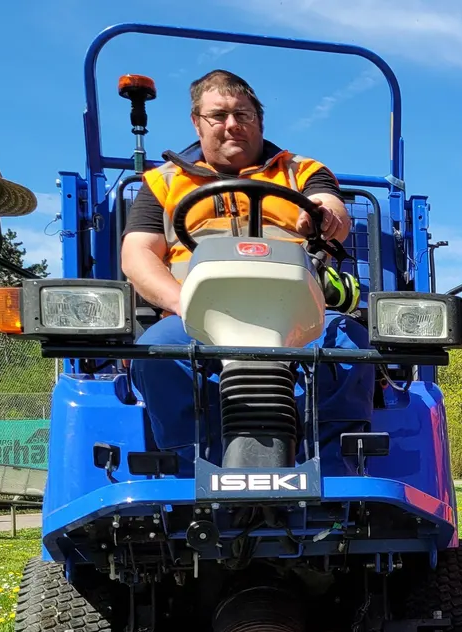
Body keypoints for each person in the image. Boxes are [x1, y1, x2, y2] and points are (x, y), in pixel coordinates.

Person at [121, 70, 373, 474]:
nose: (232, 124)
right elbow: (137, 255)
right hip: (196, 316)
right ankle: (190, 475)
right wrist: (182, 304)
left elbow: (332, 208)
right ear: (196, 122)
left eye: (243, 114)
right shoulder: (162, 183)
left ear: (260, 120)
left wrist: (324, 216)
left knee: (347, 343)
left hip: (295, 315)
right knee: (157, 351)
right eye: (218, 115)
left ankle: (333, 476)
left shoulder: (301, 171)